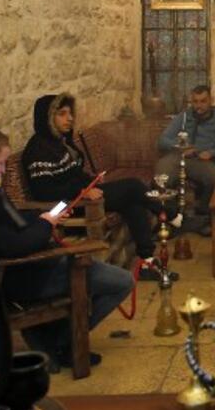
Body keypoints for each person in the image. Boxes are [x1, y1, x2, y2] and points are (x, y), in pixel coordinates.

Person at [0, 126, 133, 373]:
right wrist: (44, 225)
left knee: (100, 274)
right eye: (1, 164)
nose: (2, 170)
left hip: (6, 271)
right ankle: (58, 341)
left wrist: (40, 217)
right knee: (121, 281)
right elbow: (13, 246)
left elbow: (8, 219)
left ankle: (47, 337)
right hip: (11, 277)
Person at [22, 93, 177, 281]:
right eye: (62, 114)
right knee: (133, 186)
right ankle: (170, 213)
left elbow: (73, 174)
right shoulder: (37, 150)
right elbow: (44, 192)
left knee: (132, 204)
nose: (70, 118)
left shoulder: (58, 144)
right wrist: (81, 192)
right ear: (47, 117)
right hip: (65, 207)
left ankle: (147, 260)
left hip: (80, 196)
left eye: (70, 113)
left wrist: (91, 181)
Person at [156, 85, 215, 237]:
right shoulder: (184, 116)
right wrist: (180, 146)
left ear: (211, 100)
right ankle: (172, 219)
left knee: (214, 178)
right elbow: (163, 140)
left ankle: (204, 217)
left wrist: (212, 153)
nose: (199, 106)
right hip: (179, 157)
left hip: (202, 160)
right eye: (195, 102)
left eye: (203, 101)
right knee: (161, 173)